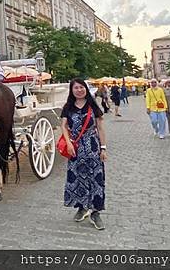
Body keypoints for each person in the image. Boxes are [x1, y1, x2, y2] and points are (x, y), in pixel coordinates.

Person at [61, 78, 107, 230]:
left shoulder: (92, 106)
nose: (79, 90)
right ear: (72, 90)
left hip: (93, 147)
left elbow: (100, 128)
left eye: (81, 87)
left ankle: (95, 212)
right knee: (78, 178)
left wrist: (103, 148)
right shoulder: (68, 107)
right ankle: (82, 207)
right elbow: (64, 126)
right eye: (76, 88)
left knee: (96, 178)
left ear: (86, 89)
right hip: (75, 148)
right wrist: (68, 143)